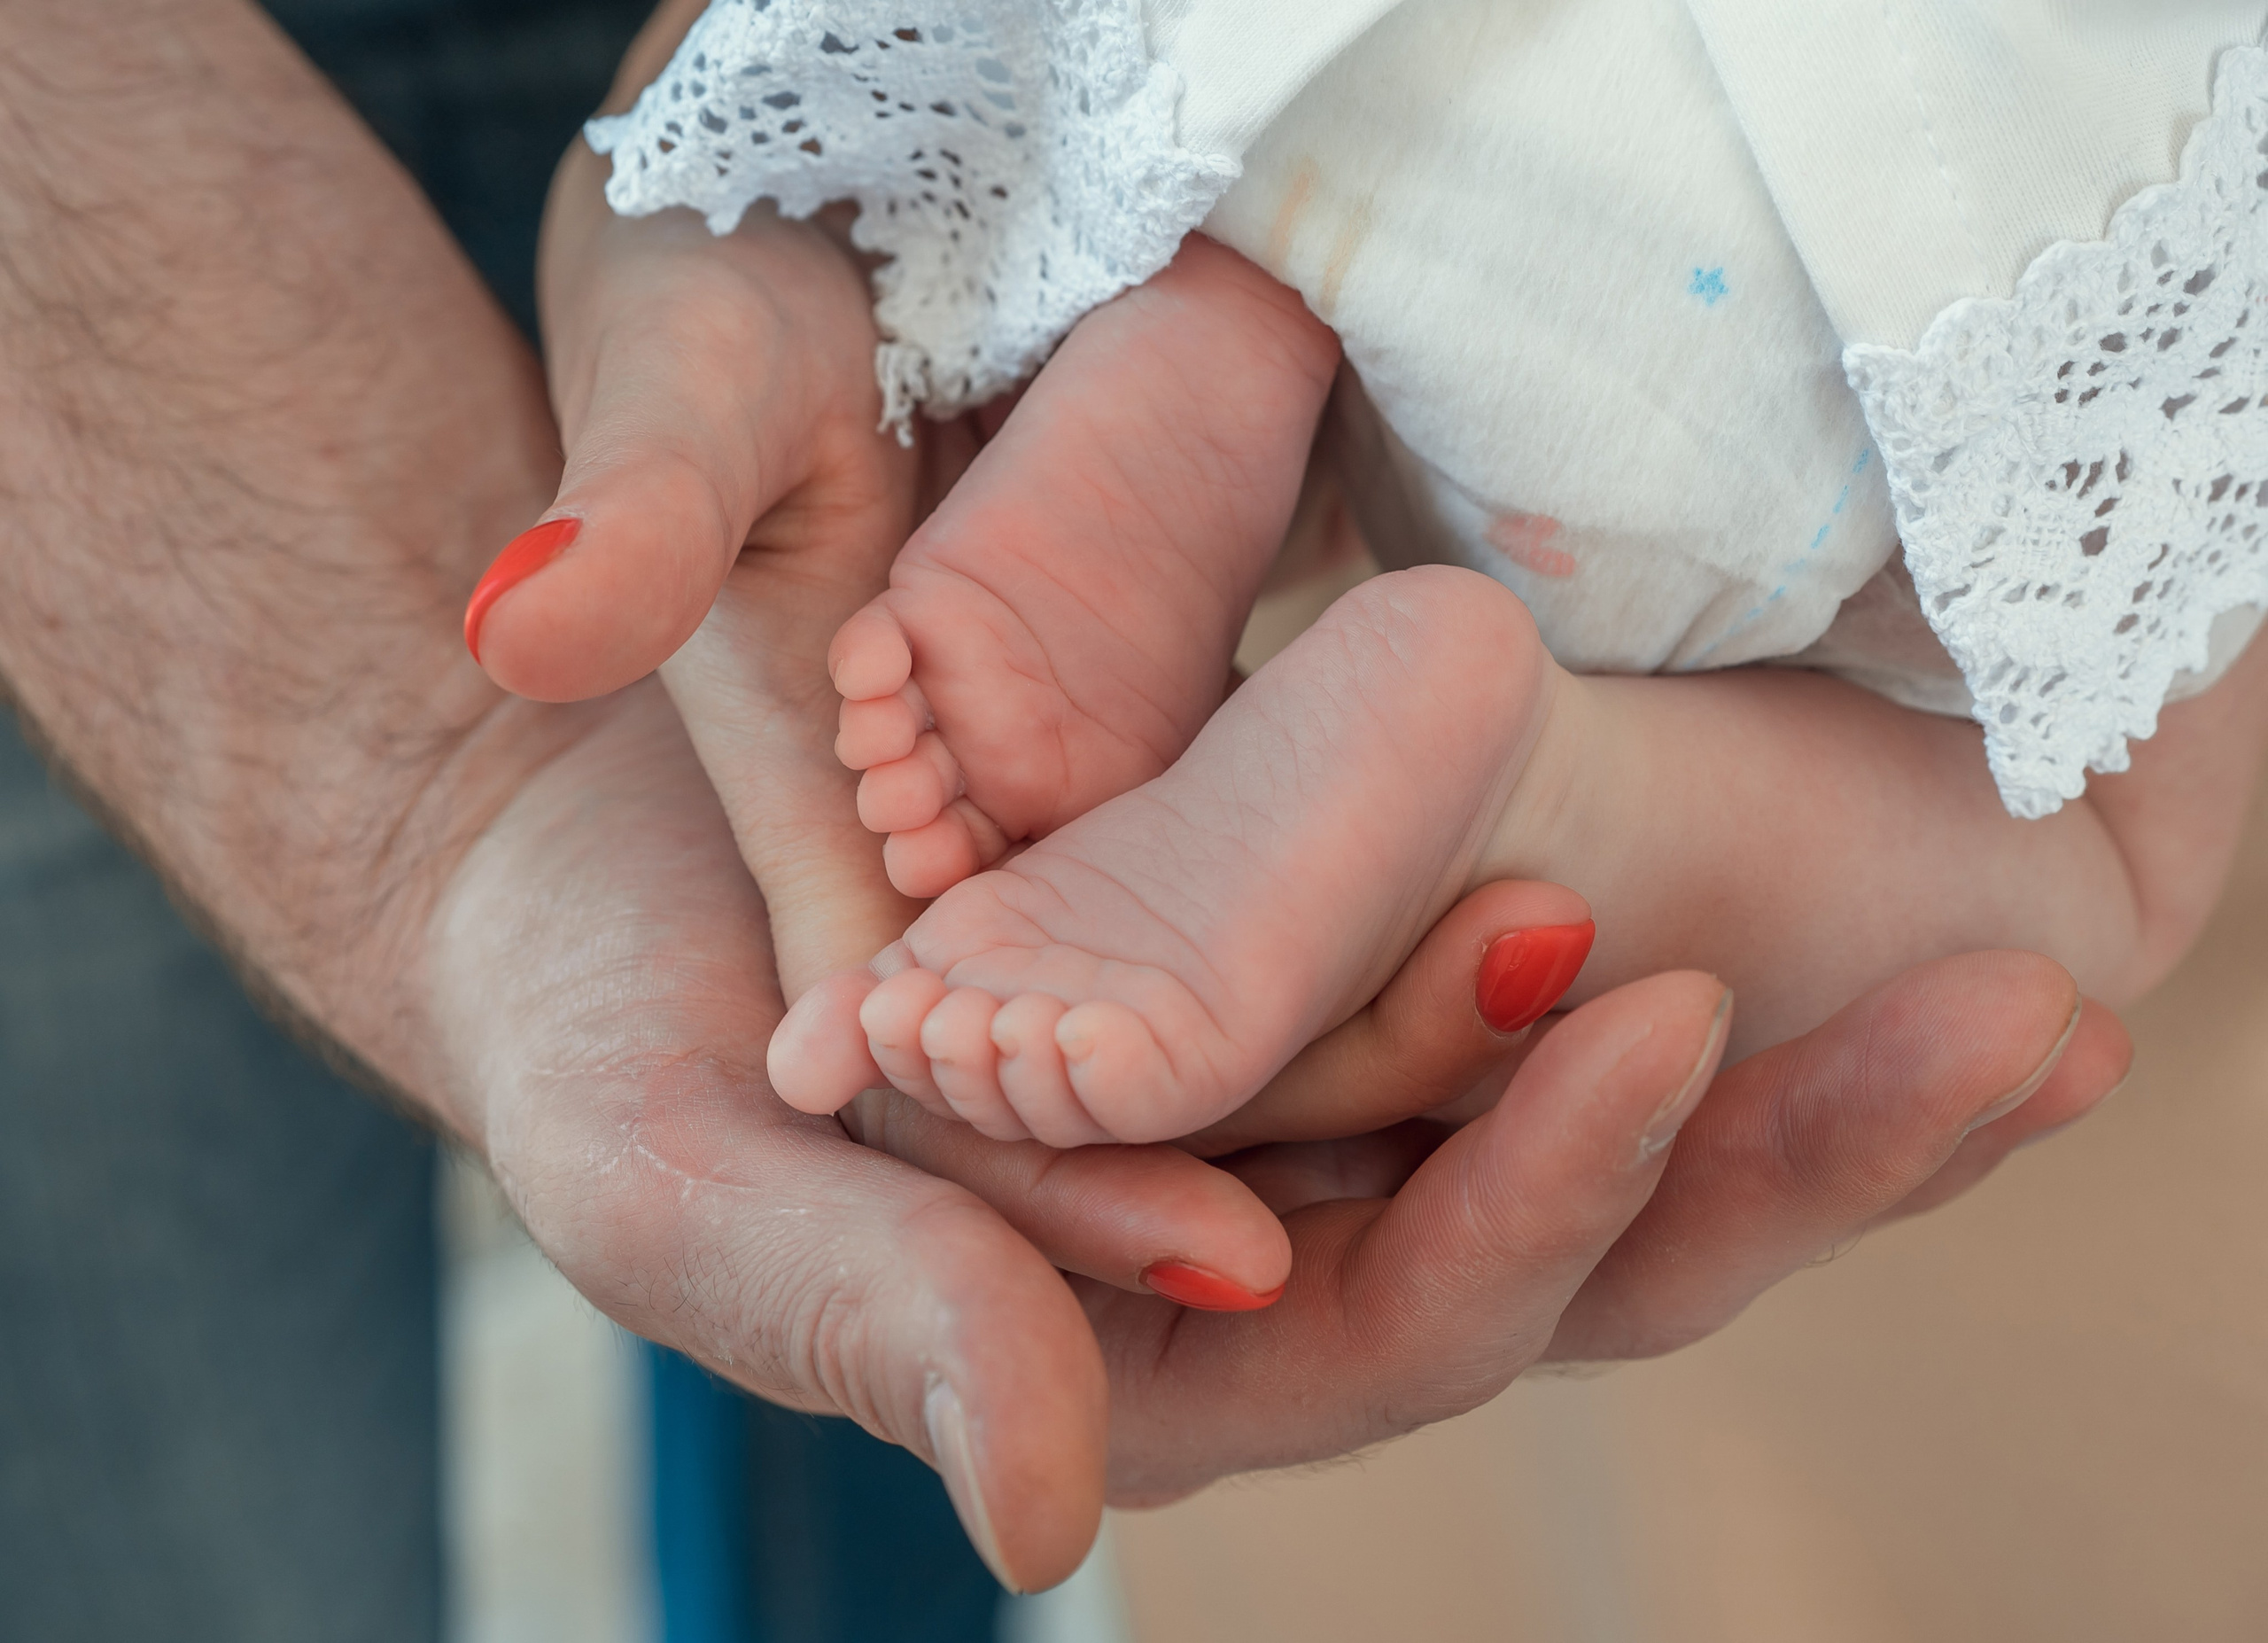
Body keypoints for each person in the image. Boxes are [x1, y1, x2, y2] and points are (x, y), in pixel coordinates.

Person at [0, 3, 2131, 1634]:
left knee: (199, 1481)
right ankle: (1510, 721)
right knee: (2076, 853)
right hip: (1830, 184)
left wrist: (766, 143)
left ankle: (1215, 346)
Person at [474, 0, 2268, 1156]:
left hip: (1406, 94)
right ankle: (1527, 777)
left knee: (1253, 185)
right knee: (2103, 862)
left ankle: (1207, 334)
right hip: (1961, 242)